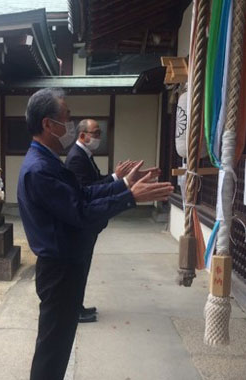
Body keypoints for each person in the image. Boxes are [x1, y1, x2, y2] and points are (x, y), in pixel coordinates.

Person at [17, 88, 174, 380]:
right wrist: (128, 197)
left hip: (66, 263)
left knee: (58, 345)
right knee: (53, 348)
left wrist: (123, 184)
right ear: (48, 124)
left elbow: (81, 194)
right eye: (67, 117)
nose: (71, 124)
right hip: (59, 267)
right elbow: (80, 212)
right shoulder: (39, 169)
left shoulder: (48, 161)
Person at [65, 119, 158, 323]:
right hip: (83, 224)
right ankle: (74, 310)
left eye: (99, 133)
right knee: (78, 270)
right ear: (82, 136)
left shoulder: (85, 155)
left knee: (83, 268)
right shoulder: (76, 158)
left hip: (89, 224)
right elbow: (87, 192)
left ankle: (77, 307)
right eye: (96, 133)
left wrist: (120, 179)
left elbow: (95, 184)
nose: (99, 137)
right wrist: (119, 179)